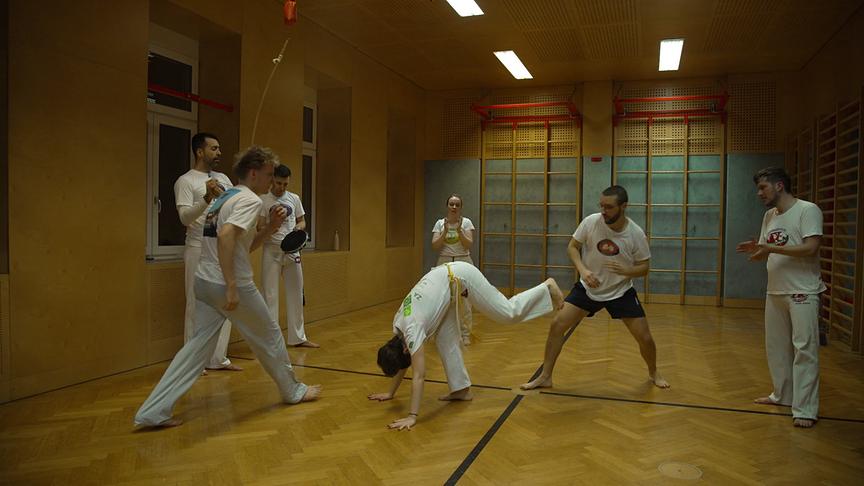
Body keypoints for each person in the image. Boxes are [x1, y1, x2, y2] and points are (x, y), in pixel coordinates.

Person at [135, 146, 322, 428]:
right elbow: (225, 236)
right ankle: (293, 390)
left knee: (195, 350)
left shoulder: (225, 196)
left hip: (204, 282)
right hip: (227, 285)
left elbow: (241, 245)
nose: (272, 182)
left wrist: (270, 227)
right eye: (269, 175)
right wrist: (232, 286)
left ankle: (153, 411)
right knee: (271, 335)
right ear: (254, 173)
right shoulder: (249, 200)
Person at [368, 261, 564, 430]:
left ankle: (546, 288)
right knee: (445, 341)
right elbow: (404, 361)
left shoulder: (411, 330)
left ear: (404, 350)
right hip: (445, 287)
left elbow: (419, 375)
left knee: (507, 313)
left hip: (460, 275)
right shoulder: (398, 327)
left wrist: (412, 416)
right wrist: (390, 393)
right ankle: (461, 389)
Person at [520, 185, 670, 391]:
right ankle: (545, 376)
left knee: (645, 337)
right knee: (557, 325)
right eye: (601, 206)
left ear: (623, 206)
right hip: (588, 288)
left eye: (609, 207)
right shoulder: (591, 222)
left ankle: (653, 371)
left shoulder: (635, 233)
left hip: (621, 292)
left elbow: (644, 268)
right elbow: (573, 247)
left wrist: (627, 270)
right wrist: (582, 270)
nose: (603, 211)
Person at [736, 167, 824, 428]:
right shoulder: (769, 216)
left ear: (779, 186)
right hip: (775, 290)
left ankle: (806, 409)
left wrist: (770, 248)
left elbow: (811, 247)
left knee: (804, 350)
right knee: (776, 349)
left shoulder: (808, 210)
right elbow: (767, 249)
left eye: (763, 187)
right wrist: (757, 252)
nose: (759, 193)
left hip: (803, 291)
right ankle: (783, 395)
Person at [174, 132, 240, 372]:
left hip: (219, 246)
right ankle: (193, 363)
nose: (219, 152)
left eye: (219, 148)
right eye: (213, 148)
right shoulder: (186, 181)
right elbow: (184, 217)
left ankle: (217, 358)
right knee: (195, 304)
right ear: (199, 152)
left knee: (224, 303)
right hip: (196, 246)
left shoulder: (223, 178)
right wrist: (206, 198)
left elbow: (233, 206)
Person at [259, 164, 318, 348]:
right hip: (272, 251)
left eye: (285, 184)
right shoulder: (263, 200)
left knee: (296, 295)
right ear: (271, 180)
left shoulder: (294, 198)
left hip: (292, 251)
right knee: (270, 296)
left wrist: (297, 230)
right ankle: (271, 340)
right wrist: (272, 225)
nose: (281, 187)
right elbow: (260, 228)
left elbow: (302, 221)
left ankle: (298, 337)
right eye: (278, 183)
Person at [431, 194, 475, 344]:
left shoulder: (467, 222)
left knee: (465, 300)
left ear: (461, 207)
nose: (454, 207)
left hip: (464, 261)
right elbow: (435, 246)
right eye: (451, 204)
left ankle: (465, 333)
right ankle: (442, 332)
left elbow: (468, 244)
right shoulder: (439, 223)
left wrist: (460, 230)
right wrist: (444, 231)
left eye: (457, 205)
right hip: (444, 262)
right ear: (447, 206)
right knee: (442, 299)